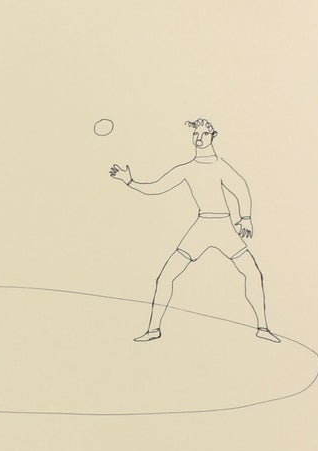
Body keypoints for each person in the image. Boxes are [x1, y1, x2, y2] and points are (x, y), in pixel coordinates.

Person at [110, 117, 280, 343]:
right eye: (195, 135)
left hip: (223, 227)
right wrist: (129, 181)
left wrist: (246, 218)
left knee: (252, 273)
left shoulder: (220, 166)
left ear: (213, 136)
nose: (199, 138)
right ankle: (153, 330)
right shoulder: (187, 169)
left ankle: (263, 328)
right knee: (166, 276)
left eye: (204, 134)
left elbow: (241, 188)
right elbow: (157, 187)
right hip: (202, 226)